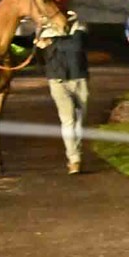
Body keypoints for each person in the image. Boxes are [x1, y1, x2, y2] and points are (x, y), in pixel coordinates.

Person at [37, 11, 89, 174]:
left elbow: (76, 46)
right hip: (57, 81)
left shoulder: (79, 26)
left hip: (79, 79)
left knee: (80, 121)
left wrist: (51, 42)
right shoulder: (45, 29)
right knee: (68, 120)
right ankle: (74, 159)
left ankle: (76, 153)